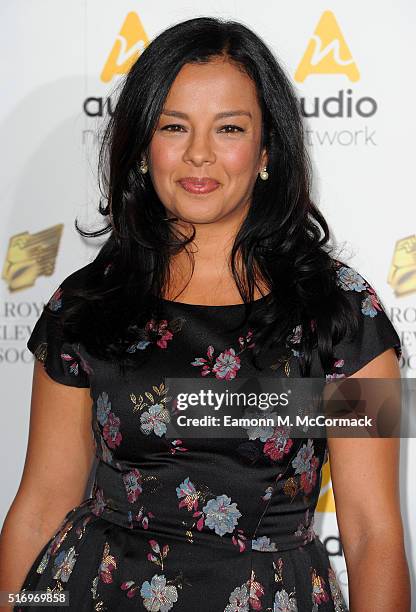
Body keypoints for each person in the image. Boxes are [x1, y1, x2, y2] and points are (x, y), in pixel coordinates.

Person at [0, 15, 411, 612]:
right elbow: (39, 505)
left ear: (267, 148)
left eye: (228, 128)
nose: (198, 155)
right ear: (143, 146)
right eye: (174, 126)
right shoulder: (87, 305)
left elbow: (374, 533)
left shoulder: (345, 316)